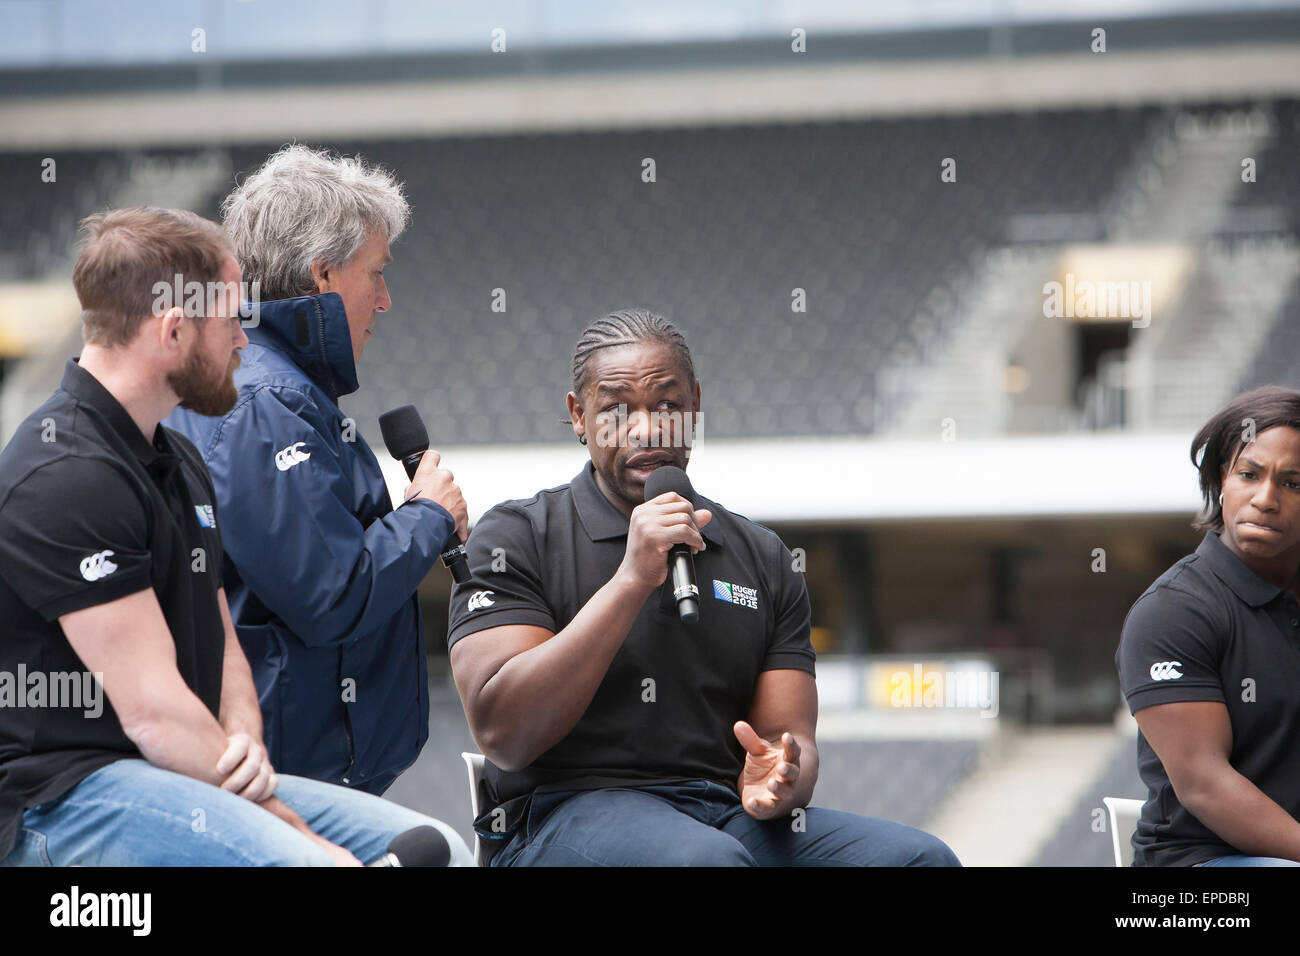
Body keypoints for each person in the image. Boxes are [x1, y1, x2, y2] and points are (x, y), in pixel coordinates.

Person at [0, 207, 472, 865]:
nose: (246, 344)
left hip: (183, 766)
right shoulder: (64, 474)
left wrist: (246, 737)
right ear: (173, 331)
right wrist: (296, 833)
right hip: (67, 794)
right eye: (230, 323)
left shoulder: (180, 458)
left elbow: (221, 645)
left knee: (441, 846)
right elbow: (154, 715)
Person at [446, 308, 961, 866]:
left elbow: (790, 738)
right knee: (705, 861)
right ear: (578, 416)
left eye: (667, 406)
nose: (647, 428)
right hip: (563, 813)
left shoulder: (762, 556)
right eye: (617, 410)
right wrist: (631, 580)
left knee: (918, 859)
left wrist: (784, 775)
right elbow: (505, 732)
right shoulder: (518, 535)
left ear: (694, 406)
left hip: (723, 813)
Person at [166, 145, 468, 794]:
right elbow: (331, 595)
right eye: (377, 273)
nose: (384, 301)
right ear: (324, 275)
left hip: (290, 762)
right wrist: (429, 515)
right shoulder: (265, 401)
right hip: (286, 776)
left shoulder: (256, 380)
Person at [1116, 386, 1300, 866]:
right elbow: (1205, 784)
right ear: (1222, 479)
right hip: (1203, 862)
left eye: (1293, 483)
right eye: (1249, 474)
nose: (1265, 498)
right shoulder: (1174, 611)